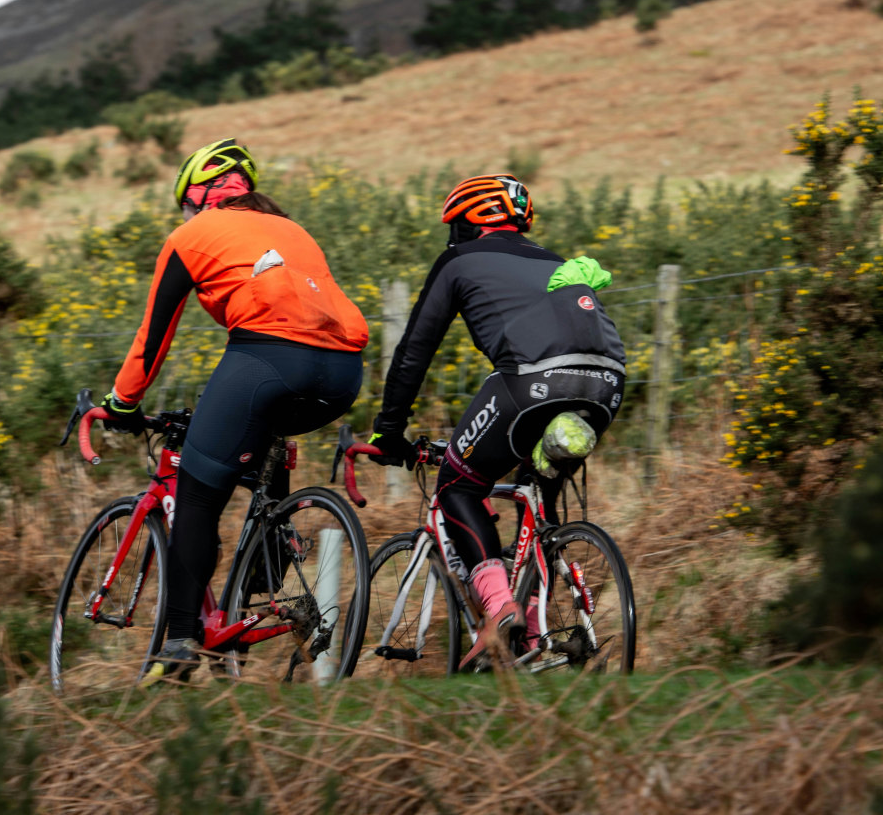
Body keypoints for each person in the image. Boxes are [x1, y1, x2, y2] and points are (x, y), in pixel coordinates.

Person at [101, 138, 369, 683]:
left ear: (199, 196)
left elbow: (155, 337)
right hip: (343, 374)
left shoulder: (190, 235)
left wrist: (122, 402)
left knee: (198, 493)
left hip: (265, 361)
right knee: (256, 448)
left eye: (185, 204)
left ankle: (178, 644)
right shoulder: (294, 229)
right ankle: (263, 567)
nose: (184, 214)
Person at [368, 173, 625, 669]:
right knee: (538, 492)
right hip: (605, 388)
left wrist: (389, 428)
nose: (452, 238)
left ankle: (499, 606)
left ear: (471, 220)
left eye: (455, 227)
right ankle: (534, 629)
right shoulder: (554, 261)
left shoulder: (460, 260)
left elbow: (415, 351)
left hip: (531, 385)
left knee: (459, 486)